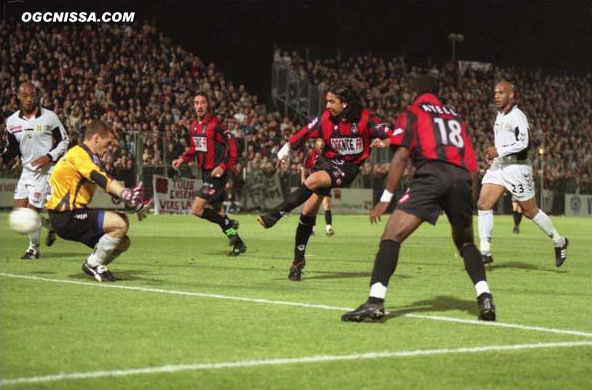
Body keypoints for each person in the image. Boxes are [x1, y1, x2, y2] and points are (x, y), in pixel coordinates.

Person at [342, 76, 496, 322]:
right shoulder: (454, 116)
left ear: (415, 92)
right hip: (461, 178)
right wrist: (469, 198)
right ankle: (485, 297)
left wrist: (386, 198)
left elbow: (402, 155)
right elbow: (472, 165)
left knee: (391, 235)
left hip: (431, 175)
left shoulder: (413, 111)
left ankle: (375, 302)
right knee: (466, 242)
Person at [258, 83, 393, 281]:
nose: (328, 105)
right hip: (328, 161)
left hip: (349, 167)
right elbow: (305, 132)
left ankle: (275, 214)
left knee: (314, 179)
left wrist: (383, 142)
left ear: (345, 103)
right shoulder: (325, 120)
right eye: (327, 101)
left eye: (332, 101)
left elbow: (393, 136)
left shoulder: (365, 120)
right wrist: (287, 147)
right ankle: (298, 262)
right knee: (307, 212)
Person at [46, 120, 150, 282]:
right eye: (107, 143)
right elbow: (100, 177)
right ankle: (93, 264)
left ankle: (97, 264)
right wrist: (126, 193)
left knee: (122, 242)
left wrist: (133, 202)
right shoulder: (80, 155)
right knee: (120, 222)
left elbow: (105, 184)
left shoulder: (83, 155)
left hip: (68, 215)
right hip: (67, 216)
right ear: (96, 138)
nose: (108, 148)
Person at [477, 80, 568, 266]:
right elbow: (503, 144)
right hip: (499, 167)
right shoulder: (499, 115)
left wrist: (499, 151)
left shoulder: (518, 116)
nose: (496, 96)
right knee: (483, 204)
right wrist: (493, 156)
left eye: (501, 92)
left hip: (517, 169)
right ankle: (485, 251)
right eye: (495, 92)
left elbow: (525, 145)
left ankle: (559, 241)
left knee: (530, 211)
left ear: (511, 95)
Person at [171, 93, 246, 256]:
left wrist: (223, 166)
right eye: (196, 103)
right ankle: (238, 243)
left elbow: (233, 147)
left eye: (203, 103)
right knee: (218, 211)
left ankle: (229, 223)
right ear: (193, 106)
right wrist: (182, 159)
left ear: (207, 105)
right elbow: (194, 148)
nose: (200, 106)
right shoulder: (193, 126)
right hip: (205, 173)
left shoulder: (216, 125)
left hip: (216, 175)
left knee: (197, 209)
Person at [2, 82, 69, 259]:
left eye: (32, 95)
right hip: (27, 171)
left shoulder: (50, 117)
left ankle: (33, 249)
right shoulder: (12, 121)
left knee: (31, 213)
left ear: (37, 95)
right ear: (18, 96)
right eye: (25, 95)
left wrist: (50, 156)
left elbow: (65, 140)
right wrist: (3, 158)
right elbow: (12, 149)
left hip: (45, 171)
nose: (29, 99)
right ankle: (50, 225)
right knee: (19, 215)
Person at [301, 139, 334, 236]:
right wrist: (303, 179)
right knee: (313, 207)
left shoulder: (328, 154)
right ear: (316, 144)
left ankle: (329, 228)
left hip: (325, 183)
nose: (322, 143)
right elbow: (304, 167)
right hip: (314, 183)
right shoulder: (311, 155)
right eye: (320, 141)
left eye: (323, 141)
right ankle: (312, 229)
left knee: (327, 204)